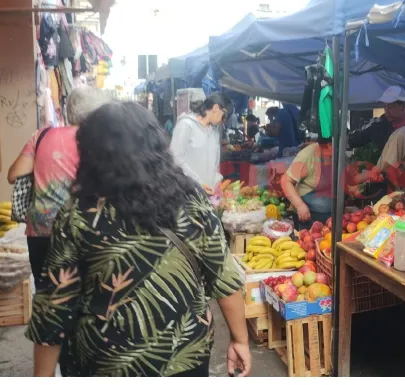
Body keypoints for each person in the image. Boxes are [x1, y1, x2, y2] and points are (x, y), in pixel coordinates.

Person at [26, 102, 251, 377]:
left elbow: (54, 306)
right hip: (185, 354)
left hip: (106, 363)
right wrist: (240, 340)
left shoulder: (79, 213)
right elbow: (223, 274)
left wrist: (42, 376)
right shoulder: (191, 198)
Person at [7, 87, 110, 281]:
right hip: (81, 230)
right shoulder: (96, 142)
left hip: (40, 232)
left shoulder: (41, 136)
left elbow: (13, 175)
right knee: (79, 291)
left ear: (67, 111)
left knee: (44, 289)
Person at [281, 138, 382, 225]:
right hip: (308, 216)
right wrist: (299, 205)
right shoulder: (308, 155)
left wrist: (368, 175)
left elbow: (350, 179)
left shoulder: (340, 156)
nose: (344, 148)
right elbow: (285, 181)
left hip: (332, 217)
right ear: (330, 145)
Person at [170, 92, 231, 194]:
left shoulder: (214, 132)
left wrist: (217, 183)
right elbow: (176, 158)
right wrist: (198, 182)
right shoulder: (186, 125)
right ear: (216, 108)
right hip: (188, 191)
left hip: (209, 192)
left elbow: (215, 163)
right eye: (224, 116)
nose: (223, 121)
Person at [347, 85, 405, 151]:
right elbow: (361, 136)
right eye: (385, 106)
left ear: (403, 106)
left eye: (390, 106)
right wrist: (348, 142)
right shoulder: (379, 126)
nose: (386, 110)